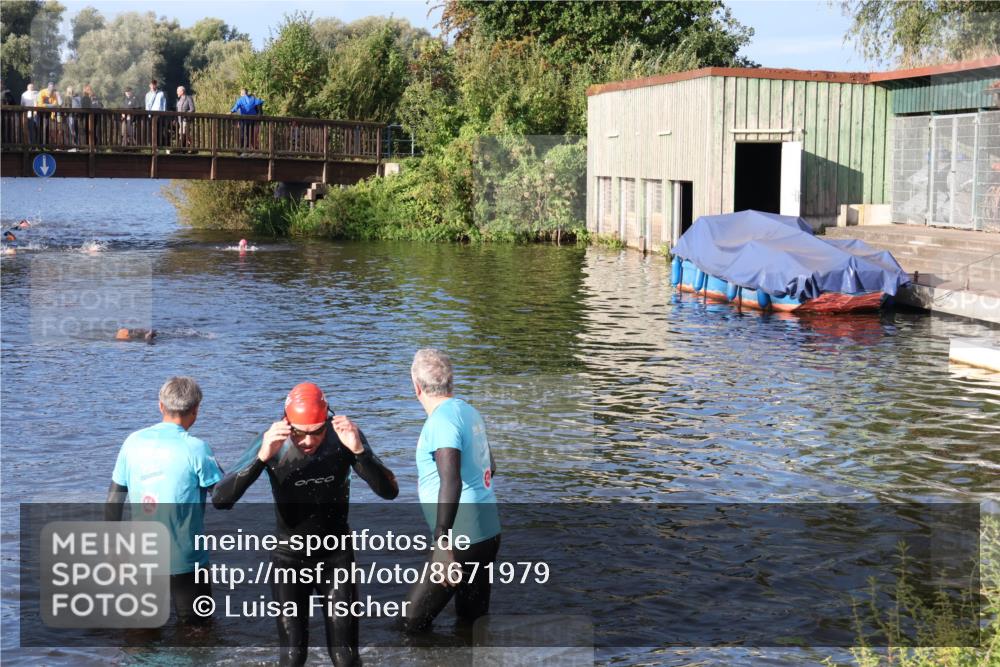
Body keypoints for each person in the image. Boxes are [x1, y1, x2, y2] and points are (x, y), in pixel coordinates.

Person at [212, 382, 398, 666]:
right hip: (289, 558)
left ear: (327, 420)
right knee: (293, 655)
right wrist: (262, 457)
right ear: (287, 424)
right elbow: (221, 500)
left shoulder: (344, 438)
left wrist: (360, 452)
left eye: (316, 433)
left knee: (345, 657)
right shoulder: (272, 443)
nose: (309, 442)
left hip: (336, 557)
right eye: (300, 434)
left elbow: (389, 491)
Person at [105, 376, 224, 624]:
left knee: (140, 631)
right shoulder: (197, 448)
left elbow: (114, 497)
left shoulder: (132, 442)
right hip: (186, 559)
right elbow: (222, 496)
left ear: (161, 406)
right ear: (196, 410)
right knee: (197, 629)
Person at [403, 349, 501, 633]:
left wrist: (442, 542)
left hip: (461, 539)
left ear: (416, 386)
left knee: (410, 624)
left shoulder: (441, 422)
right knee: (471, 622)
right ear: (451, 382)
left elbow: (452, 481)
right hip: (488, 531)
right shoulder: (468, 411)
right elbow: (490, 466)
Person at [145, 78, 168, 149]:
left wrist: (163, 114)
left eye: (154, 84)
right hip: (151, 115)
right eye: (152, 84)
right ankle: (152, 145)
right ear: (149, 85)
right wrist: (148, 115)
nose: (153, 86)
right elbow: (147, 105)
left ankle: (159, 145)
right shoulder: (147, 95)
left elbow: (164, 104)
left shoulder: (161, 93)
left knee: (159, 129)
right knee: (151, 130)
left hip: (159, 114)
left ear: (156, 85)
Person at [175, 85, 195, 152]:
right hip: (180, 120)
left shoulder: (188, 98)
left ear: (182, 91)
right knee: (184, 134)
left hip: (186, 120)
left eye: (178, 91)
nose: (177, 93)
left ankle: (180, 148)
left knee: (183, 133)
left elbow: (192, 109)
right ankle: (190, 147)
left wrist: (185, 113)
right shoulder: (179, 100)